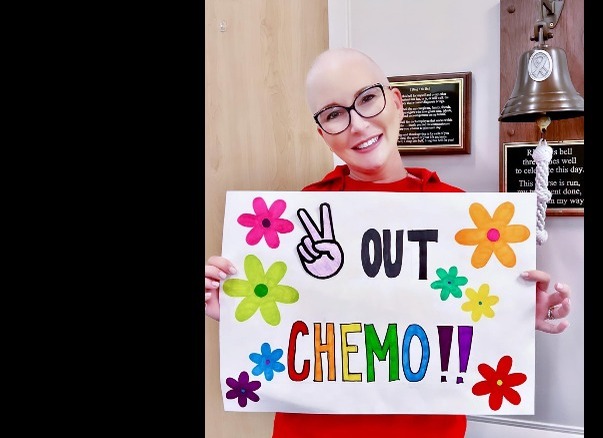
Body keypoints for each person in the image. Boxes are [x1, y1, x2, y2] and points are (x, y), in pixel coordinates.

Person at [204, 47, 572, 438]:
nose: (358, 124)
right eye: (334, 114)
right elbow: (294, 332)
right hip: (313, 428)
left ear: (395, 103)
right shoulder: (300, 214)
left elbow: (467, 332)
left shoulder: (460, 215)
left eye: (367, 99)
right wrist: (233, 310)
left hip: (424, 429)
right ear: (322, 135)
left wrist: (515, 315)